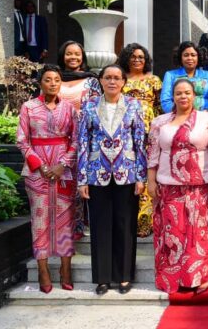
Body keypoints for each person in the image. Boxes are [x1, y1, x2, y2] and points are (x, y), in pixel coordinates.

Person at [77, 64, 147, 296]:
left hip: (127, 173)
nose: (112, 82)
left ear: (123, 82)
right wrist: (82, 179)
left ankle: (124, 276)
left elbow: (140, 142)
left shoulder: (134, 105)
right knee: (100, 226)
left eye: (117, 78)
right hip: (96, 173)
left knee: (125, 225)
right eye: (108, 77)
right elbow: (82, 143)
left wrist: (141, 176)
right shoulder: (89, 106)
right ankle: (103, 278)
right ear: (100, 80)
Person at [147, 79, 208, 294]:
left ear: (194, 95)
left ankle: (199, 277)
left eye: (187, 92)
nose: (183, 97)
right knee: (172, 233)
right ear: (173, 96)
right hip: (168, 185)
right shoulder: (160, 122)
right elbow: (153, 154)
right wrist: (151, 181)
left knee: (197, 232)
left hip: (198, 185)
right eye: (179, 93)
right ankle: (172, 278)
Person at [16, 64, 78, 293]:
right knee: (40, 220)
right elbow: (22, 140)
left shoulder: (69, 109)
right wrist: (40, 165)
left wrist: (63, 165)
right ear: (40, 82)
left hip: (64, 172)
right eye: (48, 79)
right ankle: (43, 270)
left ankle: (65, 268)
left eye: (57, 80)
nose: (53, 83)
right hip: (36, 172)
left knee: (65, 220)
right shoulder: (28, 107)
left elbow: (77, 140)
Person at [57, 40, 101, 239]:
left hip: (85, 138)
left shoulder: (91, 80)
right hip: (58, 138)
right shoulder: (54, 77)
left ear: (82, 57)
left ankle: (80, 226)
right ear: (62, 56)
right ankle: (62, 226)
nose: (73, 57)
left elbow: (97, 109)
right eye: (69, 53)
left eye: (77, 54)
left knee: (81, 181)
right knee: (62, 181)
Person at [118, 43, 162, 238]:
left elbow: (159, 107)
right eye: (133, 56)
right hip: (124, 132)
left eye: (141, 57)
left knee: (147, 172)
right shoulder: (120, 79)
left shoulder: (154, 80)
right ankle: (125, 219)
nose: (137, 60)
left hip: (148, 131)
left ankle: (145, 221)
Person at [161, 41, 208, 113]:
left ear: (199, 57)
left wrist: (205, 113)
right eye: (186, 55)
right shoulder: (170, 75)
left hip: (204, 116)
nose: (190, 58)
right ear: (180, 57)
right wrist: (180, 114)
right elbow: (165, 101)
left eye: (193, 55)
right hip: (178, 116)